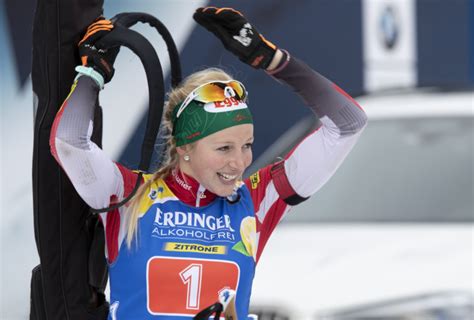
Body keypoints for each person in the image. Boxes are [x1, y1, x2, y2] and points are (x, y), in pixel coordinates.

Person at [50, 6, 368, 320]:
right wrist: (93, 74)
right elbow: (69, 141)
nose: (239, 162)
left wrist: (271, 60)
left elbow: (348, 122)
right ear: (186, 145)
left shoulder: (256, 201)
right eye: (224, 148)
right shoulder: (130, 195)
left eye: (247, 146)